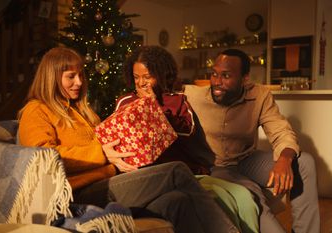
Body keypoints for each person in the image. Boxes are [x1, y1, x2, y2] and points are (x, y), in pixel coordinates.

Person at [17, 47, 239, 233]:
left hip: (110, 179)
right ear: (52, 77)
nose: (79, 82)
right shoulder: (36, 110)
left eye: (81, 75)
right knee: (175, 171)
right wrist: (101, 152)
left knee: (177, 200)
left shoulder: (80, 111)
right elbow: (41, 159)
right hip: (79, 191)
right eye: (70, 76)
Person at [116, 45, 259, 233]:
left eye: (147, 76)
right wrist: (145, 105)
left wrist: (155, 107)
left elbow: (186, 133)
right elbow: (124, 136)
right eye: (136, 77)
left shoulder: (177, 101)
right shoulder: (125, 102)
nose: (141, 83)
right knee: (215, 199)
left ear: (161, 74)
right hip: (148, 176)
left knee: (243, 196)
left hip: (187, 172)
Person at [184, 48, 320, 233]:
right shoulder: (192, 96)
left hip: (246, 160)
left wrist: (285, 158)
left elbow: (281, 131)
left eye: (226, 76)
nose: (217, 82)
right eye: (214, 74)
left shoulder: (260, 96)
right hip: (213, 166)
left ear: (245, 78)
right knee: (250, 193)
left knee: (304, 163)